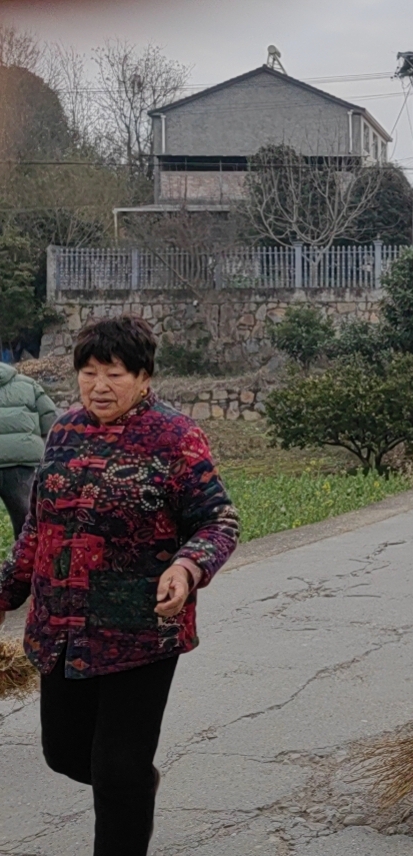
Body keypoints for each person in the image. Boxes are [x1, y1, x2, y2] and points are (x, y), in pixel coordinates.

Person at [0, 316, 241, 856]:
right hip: (61, 629)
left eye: (114, 373)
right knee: (63, 752)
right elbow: (38, 526)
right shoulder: (62, 430)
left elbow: (217, 521)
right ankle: (135, 786)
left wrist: (186, 567)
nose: (99, 386)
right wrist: (5, 593)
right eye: (89, 373)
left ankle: (127, 791)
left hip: (139, 632)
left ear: (144, 376)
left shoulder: (176, 438)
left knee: (116, 767)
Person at [0, 361, 57, 537]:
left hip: (22, 459)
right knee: (28, 519)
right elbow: (51, 420)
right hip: (22, 462)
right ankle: (26, 561)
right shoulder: (28, 384)